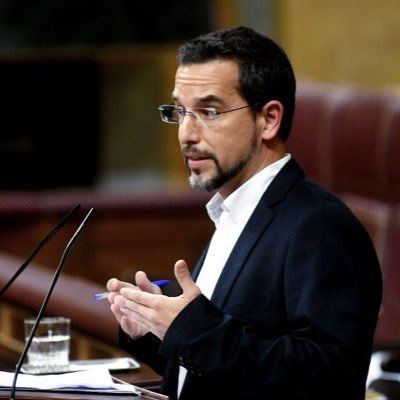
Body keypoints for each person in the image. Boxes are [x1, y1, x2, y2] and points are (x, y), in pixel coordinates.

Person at [106, 26, 382, 400]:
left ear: (269, 119)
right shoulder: (232, 210)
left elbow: (326, 377)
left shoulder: (321, 226)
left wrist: (192, 329)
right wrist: (154, 329)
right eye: (181, 111)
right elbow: (220, 365)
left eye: (208, 111)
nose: (186, 134)